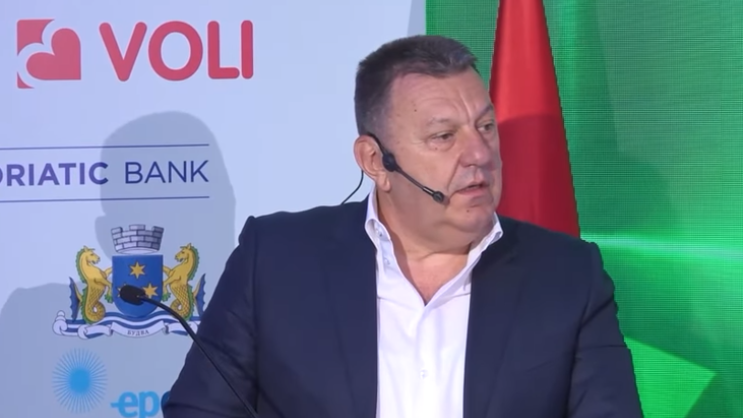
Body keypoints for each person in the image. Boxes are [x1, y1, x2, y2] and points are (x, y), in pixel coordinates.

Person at [163, 35, 643, 418]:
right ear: (376, 161)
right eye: (443, 136)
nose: (479, 154)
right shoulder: (275, 261)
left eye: (486, 127)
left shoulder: (568, 275)